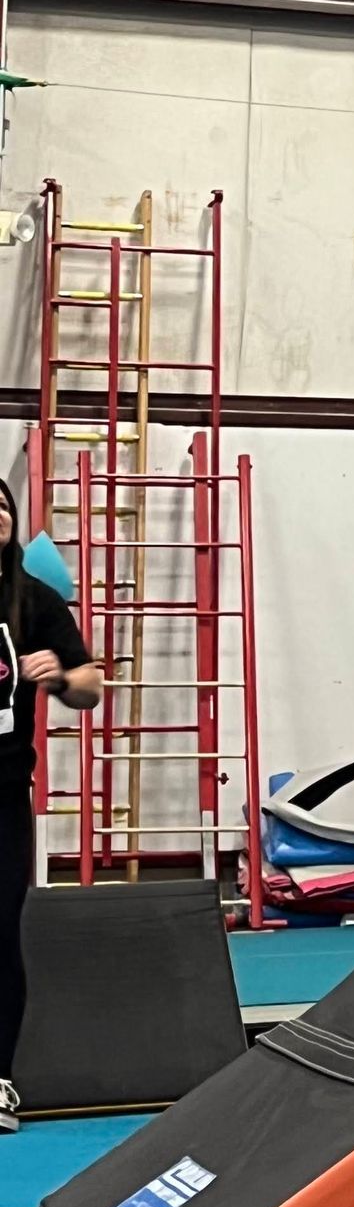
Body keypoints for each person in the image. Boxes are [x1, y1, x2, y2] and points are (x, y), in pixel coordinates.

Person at [0, 475, 100, 1131]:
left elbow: (89, 686)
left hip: (2, 797)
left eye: (1, 508)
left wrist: (59, 675)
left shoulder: (33, 600)